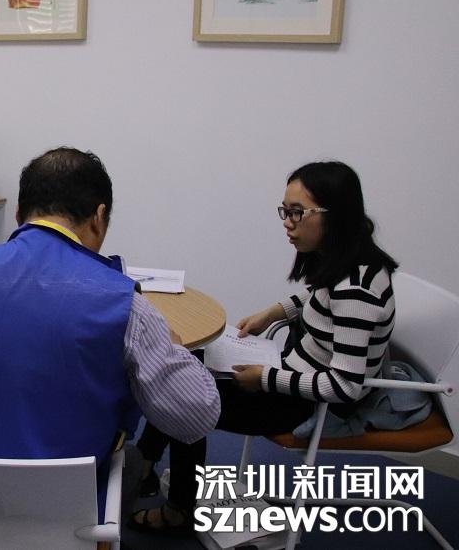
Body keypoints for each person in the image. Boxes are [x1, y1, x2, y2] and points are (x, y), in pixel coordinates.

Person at [0, 147, 220, 517]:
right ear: (99, 217)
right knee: (129, 462)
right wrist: (174, 350)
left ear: (19, 214)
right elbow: (197, 417)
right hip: (53, 519)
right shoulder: (126, 306)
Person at [132, 160, 398, 534]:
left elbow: (345, 386)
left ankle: (178, 508)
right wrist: (273, 312)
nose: (287, 223)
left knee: (187, 395)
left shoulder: (357, 290)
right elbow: (319, 298)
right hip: (292, 371)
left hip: (307, 402)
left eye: (297, 213)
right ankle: (144, 464)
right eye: (284, 212)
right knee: (185, 364)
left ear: (334, 214)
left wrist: (265, 378)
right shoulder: (349, 261)